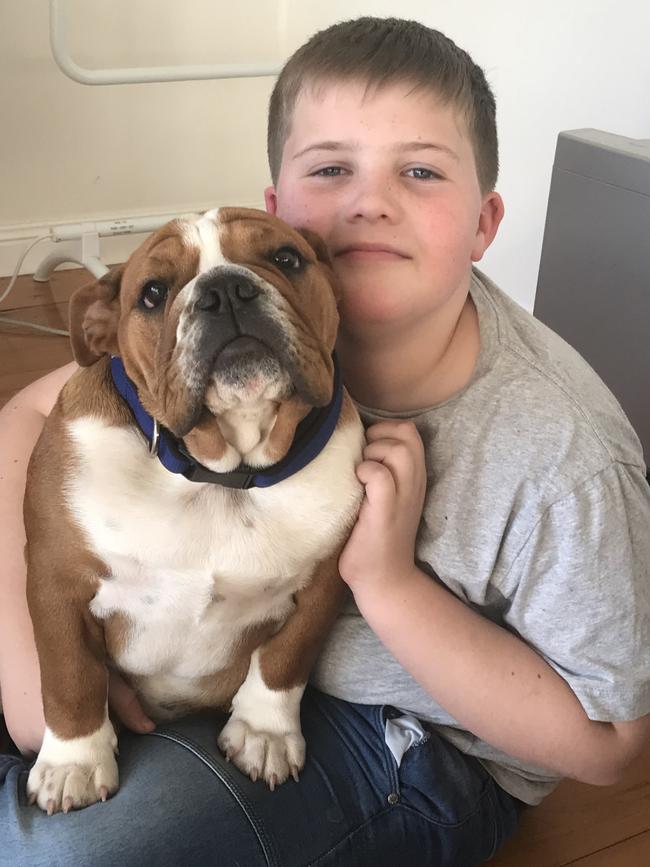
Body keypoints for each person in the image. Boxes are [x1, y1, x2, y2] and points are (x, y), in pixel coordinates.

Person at [1, 16, 649, 867]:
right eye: (332, 169)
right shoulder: (270, 308)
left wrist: (384, 583)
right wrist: (36, 672)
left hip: (414, 745)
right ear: (282, 212)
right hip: (186, 664)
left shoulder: (562, 458)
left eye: (419, 170)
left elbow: (612, 742)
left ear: (486, 222)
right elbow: (24, 420)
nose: (369, 202)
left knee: (67, 851)